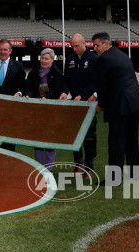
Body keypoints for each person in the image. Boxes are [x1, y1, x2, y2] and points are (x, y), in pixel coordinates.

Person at [88, 32, 139, 183]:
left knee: (116, 142)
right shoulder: (121, 55)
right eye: (93, 45)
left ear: (106, 43)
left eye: (97, 45)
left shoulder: (104, 59)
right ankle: (134, 174)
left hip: (120, 105)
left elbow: (103, 86)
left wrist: (100, 105)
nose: (95, 48)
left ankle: (114, 178)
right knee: (131, 140)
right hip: (134, 102)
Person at [59, 33, 99, 179]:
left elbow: (96, 82)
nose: (74, 49)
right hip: (74, 104)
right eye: (72, 46)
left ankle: (89, 166)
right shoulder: (69, 60)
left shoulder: (94, 59)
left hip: (88, 103)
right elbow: (66, 80)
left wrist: (82, 95)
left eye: (76, 46)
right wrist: (64, 92)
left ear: (84, 43)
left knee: (89, 137)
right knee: (75, 136)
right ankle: (79, 164)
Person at [26, 48, 63, 171]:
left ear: (52, 60)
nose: (44, 60)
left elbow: (57, 90)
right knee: (38, 138)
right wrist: (29, 95)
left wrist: (47, 97)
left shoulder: (57, 73)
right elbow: (29, 87)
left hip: (51, 109)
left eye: (47, 58)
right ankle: (39, 166)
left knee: (49, 138)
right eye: (42, 58)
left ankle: (49, 167)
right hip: (37, 109)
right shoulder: (33, 72)